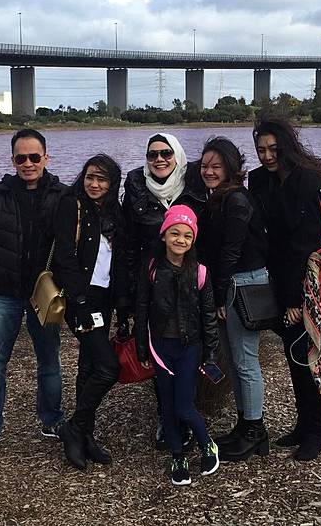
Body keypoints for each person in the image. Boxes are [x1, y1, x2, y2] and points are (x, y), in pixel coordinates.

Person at [0, 128, 66, 459]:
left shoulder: (62, 195)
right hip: (2, 292)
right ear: (12, 160)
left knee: (49, 360)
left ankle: (52, 420)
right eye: (21, 158)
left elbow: (71, 248)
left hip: (43, 294)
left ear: (46, 158)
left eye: (34, 157)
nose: (28, 164)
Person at [248, 114, 321, 461]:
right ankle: (303, 425)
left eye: (273, 149)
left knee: (309, 355)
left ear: (286, 146)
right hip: (278, 276)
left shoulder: (306, 181)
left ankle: (316, 431)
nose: (267, 156)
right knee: (294, 355)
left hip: (306, 282)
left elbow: (304, 244)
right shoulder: (260, 180)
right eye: (261, 150)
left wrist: (293, 300)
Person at [123, 133, 206, 449]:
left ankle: (187, 416)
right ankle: (166, 418)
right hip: (154, 282)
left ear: (177, 155)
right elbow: (128, 242)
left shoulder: (194, 185)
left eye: (166, 153)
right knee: (160, 351)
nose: (159, 159)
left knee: (190, 349)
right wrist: (129, 294)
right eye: (152, 154)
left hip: (190, 281)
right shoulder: (136, 187)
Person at [52, 154, 130, 470]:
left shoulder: (114, 213)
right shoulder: (71, 205)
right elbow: (64, 257)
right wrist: (80, 301)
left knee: (89, 366)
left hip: (104, 298)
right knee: (108, 367)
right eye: (90, 177)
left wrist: (123, 307)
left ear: (112, 184)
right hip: (79, 298)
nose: (94, 184)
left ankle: (85, 434)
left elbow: (119, 262)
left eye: (102, 179)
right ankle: (74, 427)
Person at [135, 205, 220, 486]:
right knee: (168, 406)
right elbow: (141, 308)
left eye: (187, 235)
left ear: (193, 240)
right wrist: (141, 346)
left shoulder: (200, 272)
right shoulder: (151, 268)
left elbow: (208, 316)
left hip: (188, 347)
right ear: (163, 235)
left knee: (184, 406)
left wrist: (210, 354)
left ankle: (207, 444)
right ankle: (177, 455)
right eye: (174, 233)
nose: (180, 240)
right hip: (160, 347)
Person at [198, 136, 270, 462]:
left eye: (216, 166)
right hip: (230, 283)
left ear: (230, 168)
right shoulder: (218, 198)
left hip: (242, 284)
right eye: (204, 166)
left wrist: (218, 295)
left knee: (245, 360)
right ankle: (245, 424)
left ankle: (255, 430)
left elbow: (231, 250)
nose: (209, 171)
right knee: (234, 359)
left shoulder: (237, 199)